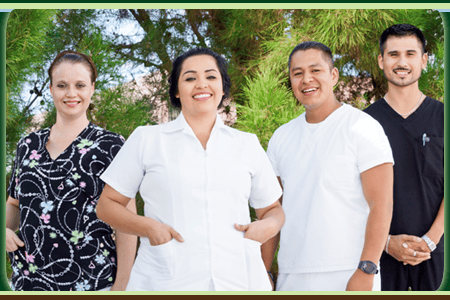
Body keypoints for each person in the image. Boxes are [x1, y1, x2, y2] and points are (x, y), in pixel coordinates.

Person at [96, 47, 285, 291]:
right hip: (165, 280)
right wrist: (149, 228)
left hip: (239, 280)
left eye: (211, 76)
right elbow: (107, 205)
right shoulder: (147, 140)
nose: (201, 84)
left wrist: (266, 227)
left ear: (223, 87)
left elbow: (273, 209)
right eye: (190, 78)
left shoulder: (246, 143)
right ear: (176, 90)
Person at [263, 41, 395, 291]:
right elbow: (272, 209)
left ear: (333, 75)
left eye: (316, 70)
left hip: (348, 272)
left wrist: (367, 269)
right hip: (293, 275)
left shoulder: (362, 127)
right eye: (297, 73)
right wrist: (265, 271)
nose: (306, 79)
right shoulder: (282, 137)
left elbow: (382, 204)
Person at [5, 50, 137, 291]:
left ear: (92, 88)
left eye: (80, 85)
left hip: (92, 283)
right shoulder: (27, 145)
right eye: (62, 85)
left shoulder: (111, 145)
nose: (71, 93)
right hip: (28, 282)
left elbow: (126, 224)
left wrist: (122, 287)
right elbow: (14, 204)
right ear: (51, 89)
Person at [364, 24, 444, 291]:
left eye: (410, 54)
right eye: (393, 54)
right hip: (379, 257)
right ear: (381, 60)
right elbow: (352, 194)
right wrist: (386, 242)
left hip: (438, 256)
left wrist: (431, 240)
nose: (402, 62)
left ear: (423, 60)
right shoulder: (362, 124)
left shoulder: (443, 117)